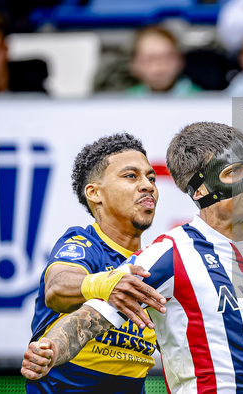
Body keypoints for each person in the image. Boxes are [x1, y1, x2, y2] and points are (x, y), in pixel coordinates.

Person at [21, 122, 243, 393]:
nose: (148, 186)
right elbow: (63, 293)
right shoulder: (150, 254)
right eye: (233, 171)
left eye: (152, 178)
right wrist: (52, 348)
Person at [26, 133, 167, 394]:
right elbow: (56, 287)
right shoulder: (83, 243)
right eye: (131, 176)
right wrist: (106, 284)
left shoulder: (159, 261)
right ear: (94, 193)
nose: (147, 185)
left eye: (151, 177)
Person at [126, 27, 201, 97]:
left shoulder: (201, 99)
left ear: (180, 61)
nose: (159, 67)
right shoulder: (126, 100)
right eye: (149, 59)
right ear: (134, 64)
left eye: (167, 58)